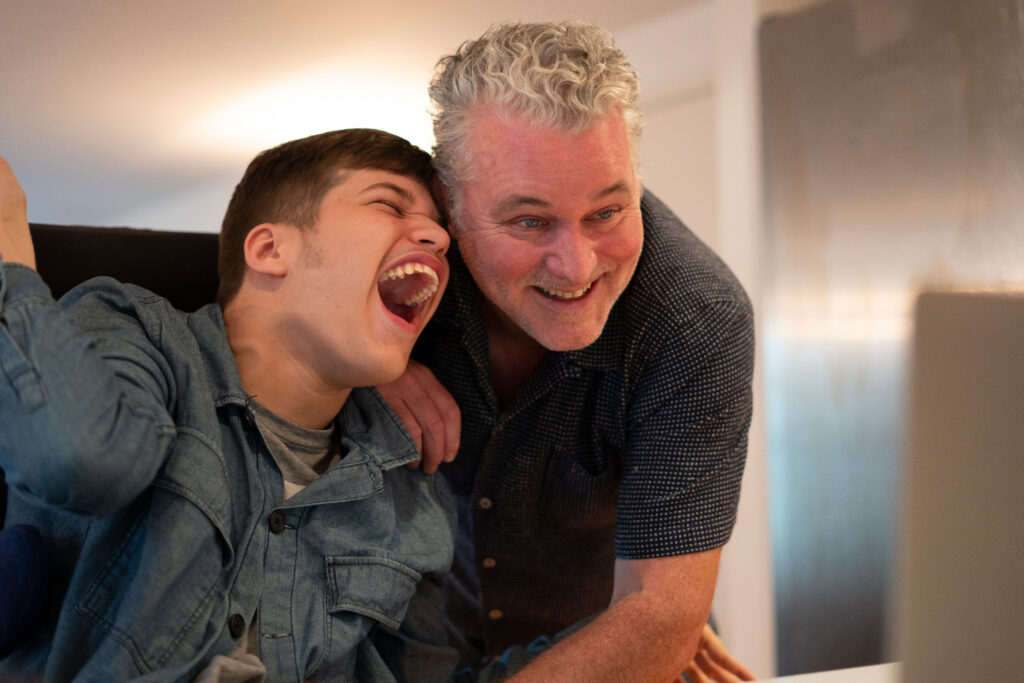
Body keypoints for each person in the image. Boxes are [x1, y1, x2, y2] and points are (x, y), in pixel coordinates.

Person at [0, 130, 462, 682]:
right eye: (389, 203)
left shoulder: (414, 489)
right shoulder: (137, 331)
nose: (437, 236)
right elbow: (78, 459)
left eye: (439, 228)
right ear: (269, 250)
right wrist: (9, 259)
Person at [378, 22, 757, 682]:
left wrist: (661, 634)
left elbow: (660, 616)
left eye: (608, 212)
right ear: (449, 206)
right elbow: (236, 299)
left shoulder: (694, 320)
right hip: (432, 652)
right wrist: (356, 358)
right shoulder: (386, 264)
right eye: (528, 221)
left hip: (619, 657)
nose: (576, 264)